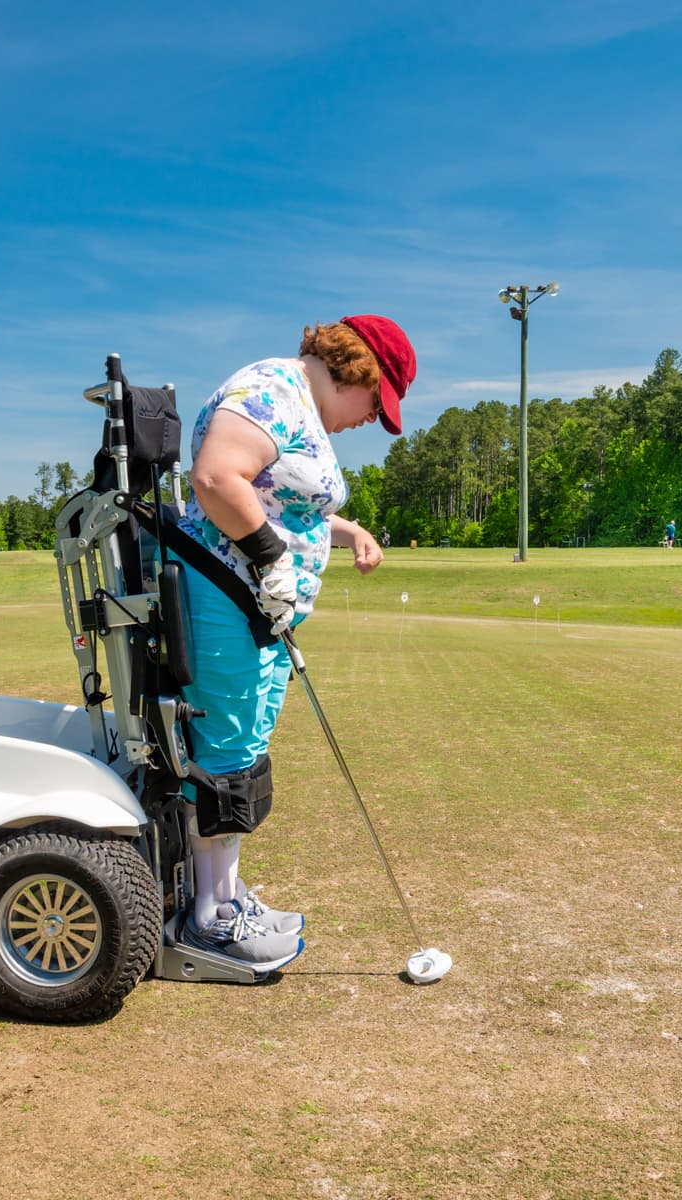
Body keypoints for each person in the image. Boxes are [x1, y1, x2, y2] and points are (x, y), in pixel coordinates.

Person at [175, 314, 414, 969]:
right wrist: (270, 558)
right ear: (360, 370)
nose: (373, 418)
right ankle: (211, 918)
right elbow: (218, 477)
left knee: (242, 750)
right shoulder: (270, 391)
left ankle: (224, 897)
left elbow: (285, 501)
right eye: (378, 403)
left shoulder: (297, 403)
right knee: (225, 751)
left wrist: (349, 530)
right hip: (225, 596)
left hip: (255, 609)